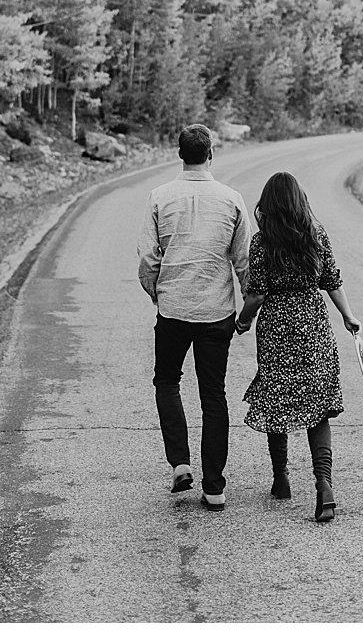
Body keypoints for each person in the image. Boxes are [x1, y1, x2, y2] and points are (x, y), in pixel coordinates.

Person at [234, 172, 361, 523]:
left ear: (269, 205)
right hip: (314, 328)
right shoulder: (316, 236)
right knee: (316, 407)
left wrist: (242, 321)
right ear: (299, 201)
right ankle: (324, 486)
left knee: (278, 398)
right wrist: (348, 316)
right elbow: (331, 280)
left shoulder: (262, 243)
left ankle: (281, 478)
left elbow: (257, 292)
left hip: (277, 328)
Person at [137, 123, 252, 511]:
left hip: (172, 310)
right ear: (211, 154)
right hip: (216, 313)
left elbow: (149, 258)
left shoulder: (159, 197)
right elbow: (245, 262)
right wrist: (246, 310)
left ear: (179, 154)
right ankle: (215, 486)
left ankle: (180, 463)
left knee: (167, 381)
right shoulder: (232, 199)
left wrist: (157, 292)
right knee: (213, 394)